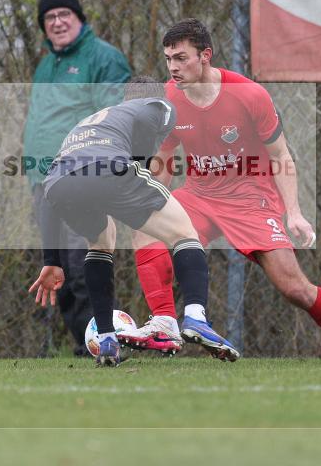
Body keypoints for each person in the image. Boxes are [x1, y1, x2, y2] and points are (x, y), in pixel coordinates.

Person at [118, 19, 321, 365]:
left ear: (206, 56)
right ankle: (165, 323)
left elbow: (280, 155)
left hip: (251, 198)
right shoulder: (170, 98)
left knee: (294, 288)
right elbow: (165, 157)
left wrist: (293, 212)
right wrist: (149, 198)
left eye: (181, 58)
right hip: (200, 194)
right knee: (145, 227)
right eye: (169, 58)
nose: (173, 67)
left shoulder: (249, 95)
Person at [28, 77, 239, 366]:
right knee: (183, 232)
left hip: (59, 182)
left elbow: (50, 196)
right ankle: (195, 317)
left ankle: (106, 339)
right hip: (110, 168)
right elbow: (141, 158)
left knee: (101, 242)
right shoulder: (158, 106)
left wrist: (51, 260)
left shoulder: (92, 122)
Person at [23, 0, 131, 356]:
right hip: (45, 183)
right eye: (49, 18)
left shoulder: (103, 58)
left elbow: (114, 117)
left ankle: (106, 339)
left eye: (64, 14)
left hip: (81, 179)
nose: (57, 22)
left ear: (80, 17)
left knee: (82, 268)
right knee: (57, 277)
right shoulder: (45, 65)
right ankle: (88, 346)